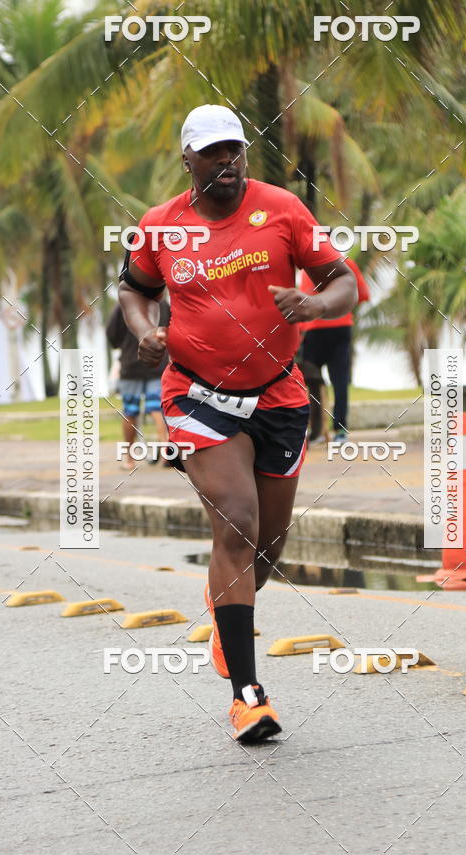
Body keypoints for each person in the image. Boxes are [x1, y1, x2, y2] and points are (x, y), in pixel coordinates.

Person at [119, 104, 357, 741]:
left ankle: (227, 611)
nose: (227, 162)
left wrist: (313, 301)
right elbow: (133, 290)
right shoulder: (160, 226)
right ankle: (247, 696)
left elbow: (343, 282)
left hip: (280, 395)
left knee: (267, 550)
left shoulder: (282, 209)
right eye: (212, 153)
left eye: (235, 151)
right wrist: (146, 332)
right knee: (237, 521)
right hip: (197, 395)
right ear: (187, 160)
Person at [299, 257, 370, 444]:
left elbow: (302, 301)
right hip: (340, 327)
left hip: (313, 330)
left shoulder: (306, 266)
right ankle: (340, 431)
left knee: (312, 383)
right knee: (340, 382)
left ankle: (317, 432)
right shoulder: (346, 262)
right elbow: (362, 295)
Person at [106, 298, 170, 469]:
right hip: (157, 363)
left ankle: (129, 458)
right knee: (157, 407)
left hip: (130, 364)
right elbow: (171, 330)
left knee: (130, 411)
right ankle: (166, 452)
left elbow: (112, 335)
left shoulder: (124, 304)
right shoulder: (161, 303)